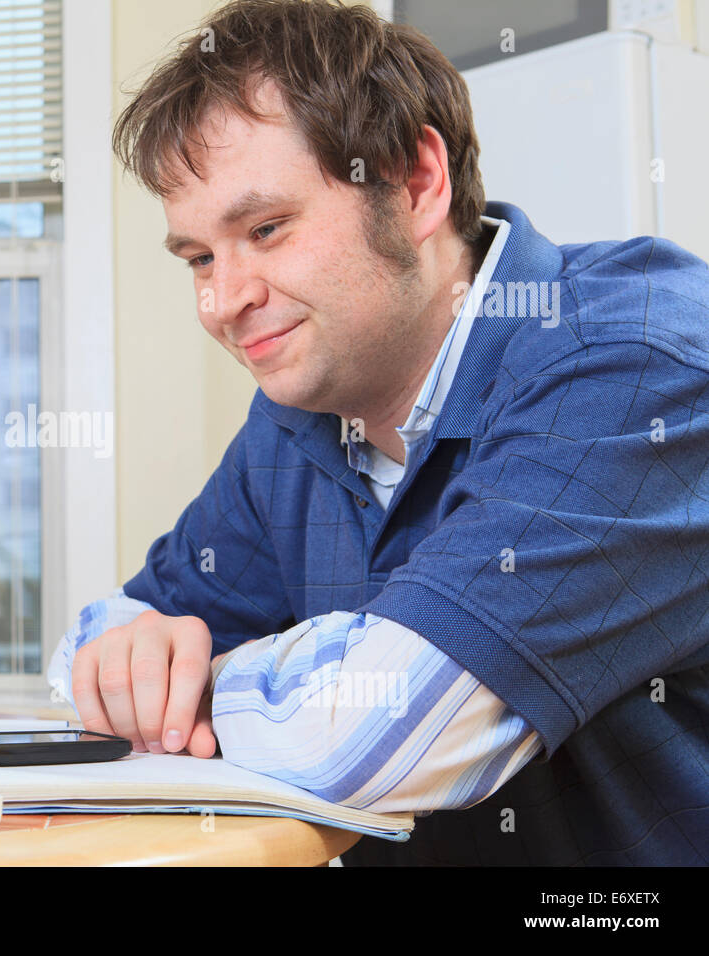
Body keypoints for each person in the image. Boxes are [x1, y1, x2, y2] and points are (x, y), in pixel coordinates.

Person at [46, 0, 709, 865]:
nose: (222, 302)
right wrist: (135, 662)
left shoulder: (633, 361)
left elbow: (369, 739)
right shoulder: (297, 419)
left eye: (266, 229)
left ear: (417, 182)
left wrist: (197, 690)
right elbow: (107, 644)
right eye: (200, 258)